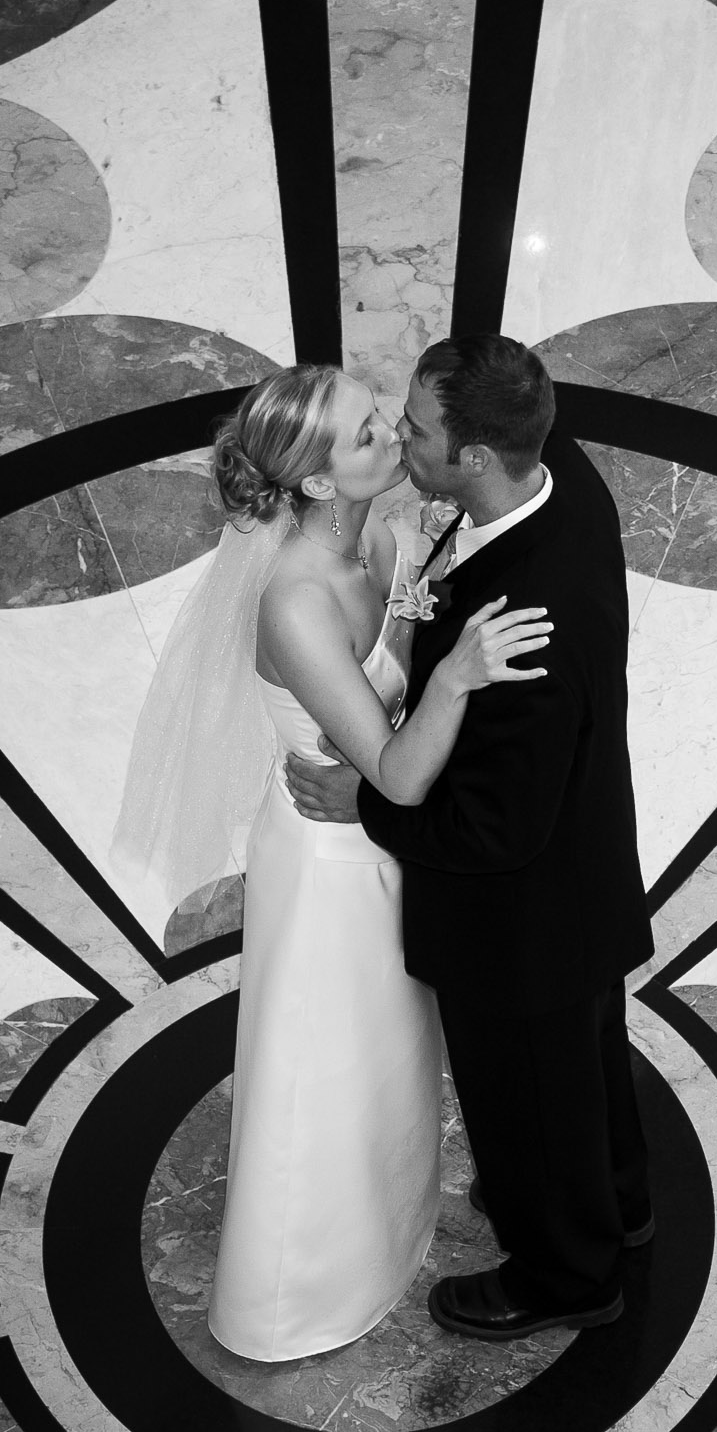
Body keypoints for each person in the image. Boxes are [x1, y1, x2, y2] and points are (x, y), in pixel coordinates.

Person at [112, 363, 552, 1362]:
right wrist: (460, 674)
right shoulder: (295, 603)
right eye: (367, 435)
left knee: (389, 1049)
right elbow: (395, 771)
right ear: (314, 483)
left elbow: (390, 681)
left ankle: (389, 1227)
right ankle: (293, 1291)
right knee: (320, 1064)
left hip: (382, 849)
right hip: (325, 859)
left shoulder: (387, 534)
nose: (396, 437)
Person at [286, 333, 655, 1340]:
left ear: (475, 458)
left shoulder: (528, 630)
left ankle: (569, 1274)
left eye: (417, 427)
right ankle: (618, 1202)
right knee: (586, 1067)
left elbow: (489, 829)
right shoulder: (556, 474)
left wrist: (354, 801)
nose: (402, 435)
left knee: (527, 1100)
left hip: (521, 914)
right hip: (585, 865)